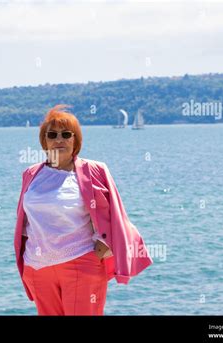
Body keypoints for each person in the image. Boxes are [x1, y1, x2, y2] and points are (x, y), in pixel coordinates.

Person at [14, 104, 153, 315]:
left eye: (66, 134)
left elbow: (115, 211)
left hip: (80, 263)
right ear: (44, 141)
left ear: (75, 140)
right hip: (38, 268)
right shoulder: (31, 174)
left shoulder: (94, 170)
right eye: (52, 134)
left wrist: (104, 241)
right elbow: (24, 220)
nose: (59, 139)